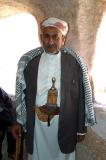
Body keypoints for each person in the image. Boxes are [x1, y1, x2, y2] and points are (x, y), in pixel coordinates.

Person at [12, 17, 96, 160]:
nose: (50, 42)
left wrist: (81, 128)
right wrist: (18, 121)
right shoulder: (29, 63)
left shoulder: (74, 64)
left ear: (63, 39)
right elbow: (21, 95)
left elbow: (80, 97)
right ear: (40, 37)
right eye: (46, 36)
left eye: (55, 37)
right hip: (37, 125)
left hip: (66, 123)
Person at [0, 87, 16, 160]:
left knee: (11, 130)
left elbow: (10, 106)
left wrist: (13, 124)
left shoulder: (1, 92)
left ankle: (11, 152)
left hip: (6, 112)